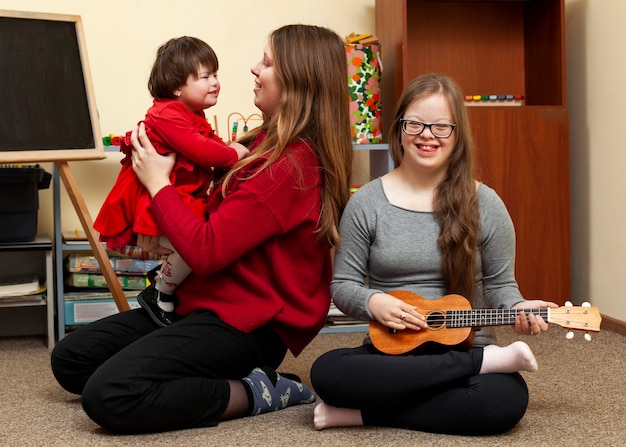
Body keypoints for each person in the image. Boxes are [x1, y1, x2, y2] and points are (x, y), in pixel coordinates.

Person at [51, 24, 353, 434]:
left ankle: (260, 390)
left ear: (298, 81)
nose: (253, 69)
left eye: (266, 63)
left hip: (245, 322)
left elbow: (206, 250)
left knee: (110, 394)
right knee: (71, 360)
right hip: (201, 301)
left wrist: (157, 182)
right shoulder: (260, 141)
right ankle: (182, 371)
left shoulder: (289, 168)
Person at [310, 73, 559, 436]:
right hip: (392, 355)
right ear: (399, 129)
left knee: (504, 401)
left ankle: (364, 413)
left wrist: (518, 307)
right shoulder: (367, 202)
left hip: (464, 347)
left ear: (457, 135)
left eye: (442, 126)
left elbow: (501, 285)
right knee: (327, 372)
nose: (427, 134)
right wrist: (374, 301)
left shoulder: (485, 203)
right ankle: (482, 365)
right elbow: (343, 286)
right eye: (415, 123)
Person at [93, 36, 249, 327]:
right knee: (193, 247)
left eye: (216, 75)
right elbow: (203, 149)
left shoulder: (192, 114)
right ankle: (160, 291)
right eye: (205, 77)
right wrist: (233, 153)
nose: (215, 82)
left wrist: (225, 149)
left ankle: (165, 282)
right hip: (151, 200)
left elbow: (209, 140)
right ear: (177, 87)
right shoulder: (166, 114)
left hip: (176, 197)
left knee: (199, 245)